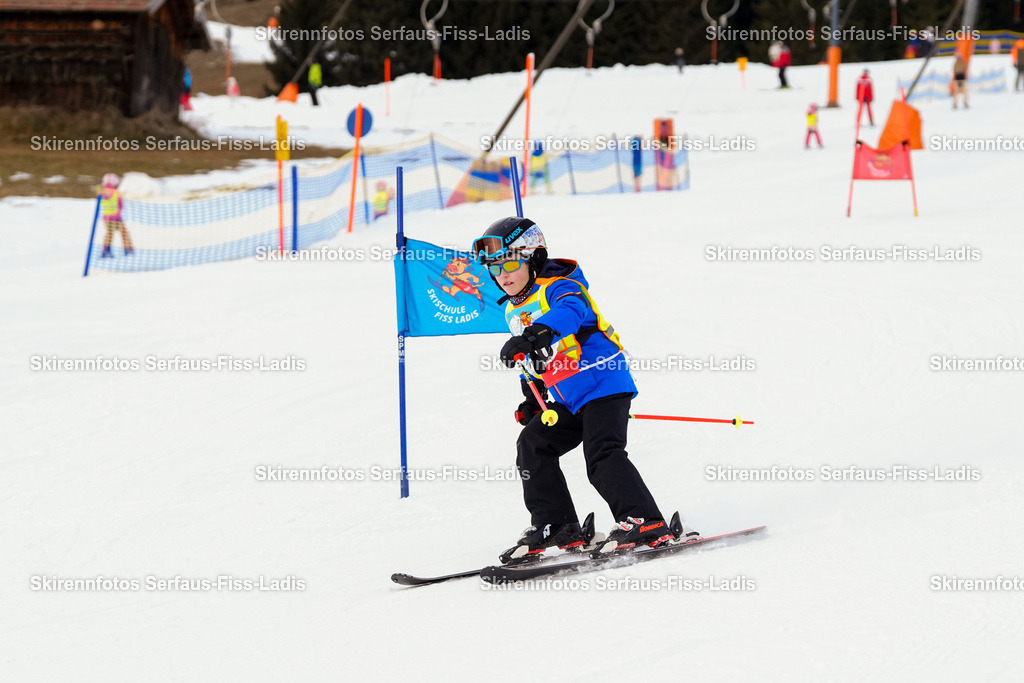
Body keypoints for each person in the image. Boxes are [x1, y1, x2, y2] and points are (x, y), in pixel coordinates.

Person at [471, 217, 696, 564]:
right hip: (568, 398)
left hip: (602, 382)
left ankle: (645, 521)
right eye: (496, 269)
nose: (504, 276)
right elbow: (536, 363)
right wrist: (534, 399)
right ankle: (556, 524)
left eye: (511, 264)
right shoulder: (514, 309)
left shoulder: (560, 288)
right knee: (533, 444)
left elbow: (570, 313)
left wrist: (535, 335)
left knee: (602, 454)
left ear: (533, 259)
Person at [99, 174, 134, 257]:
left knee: (109, 233)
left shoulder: (102, 192)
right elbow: (121, 205)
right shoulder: (116, 192)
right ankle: (128, 250)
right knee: (124, 233)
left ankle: (106, 250)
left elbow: (100, 203)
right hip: (116, 217)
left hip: (106, 217)